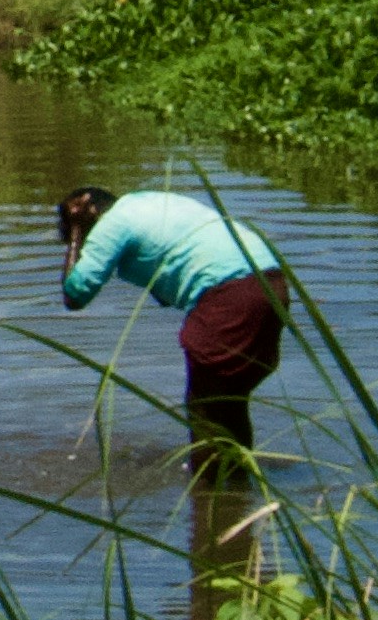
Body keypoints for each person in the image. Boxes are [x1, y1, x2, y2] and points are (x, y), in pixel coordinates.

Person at [56, 184, 289, 449]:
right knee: (229, 403)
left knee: (204, 407)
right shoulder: (148, 203)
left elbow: (74, 295)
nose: (87, 249)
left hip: (230, 293)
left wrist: (76, 232)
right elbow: (166, 295)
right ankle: (239, 473)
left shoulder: (113, 223)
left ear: (90, 213)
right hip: (271, 284)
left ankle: (208, 476)